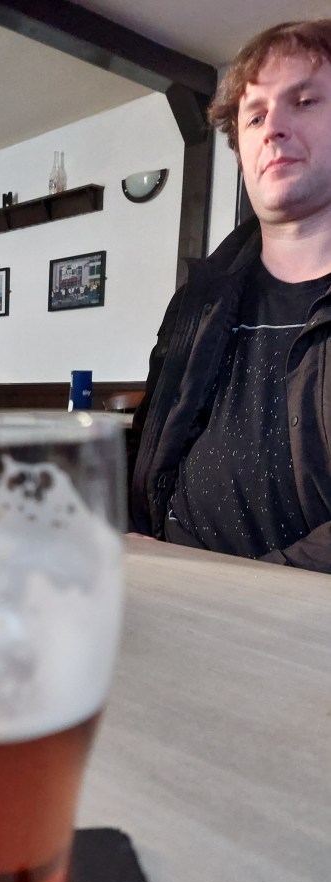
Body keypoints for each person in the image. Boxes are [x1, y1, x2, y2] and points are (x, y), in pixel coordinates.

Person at [131, 19, 331, 574]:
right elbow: (148, 449)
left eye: (305, 101)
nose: (274, 130)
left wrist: (230, 592)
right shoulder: (197, 302)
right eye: (256, 116)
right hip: (167, 590)